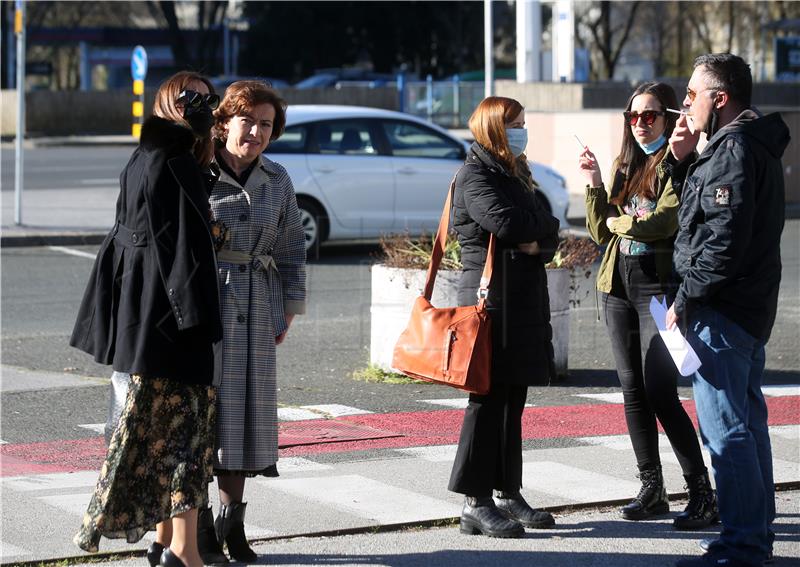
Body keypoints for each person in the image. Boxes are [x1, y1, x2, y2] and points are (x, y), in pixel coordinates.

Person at [70, 71, 224, 567]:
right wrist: (198, 323)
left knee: (157, 434)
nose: (204, 110)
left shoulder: (150, 157)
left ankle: (165, 542)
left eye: (208, 101)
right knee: (185, 438)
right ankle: (185, 552)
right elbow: (181, 254)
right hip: (172, 325)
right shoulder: (171, 160)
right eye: (192, 101)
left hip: (148, 323)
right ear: (170, 106)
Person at [666, 54, 789, 567]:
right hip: (746, 307)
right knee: (748, 422)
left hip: (723, 310)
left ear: (720, 99)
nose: (684, 105)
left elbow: (721, 241)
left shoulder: (732, 150)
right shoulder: (738, 145)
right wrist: (682, 160)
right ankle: (754, 533)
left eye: (691, 95)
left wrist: (685, 297)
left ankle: (742, 545)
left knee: (726, 430)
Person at [578, 82, 718, 529]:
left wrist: (627, 222)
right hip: (617, 286)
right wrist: (595, 185)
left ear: (668, 116)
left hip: (659, 290)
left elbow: (664, 222)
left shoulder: (678, 163)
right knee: (632, 390)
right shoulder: (625, 165)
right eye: (633, 117)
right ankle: (652, 488)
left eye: (649, 115)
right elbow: (603, 235)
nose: (640, 124)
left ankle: (701, 491)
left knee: (659, 389)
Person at [195, 80, 307, 563]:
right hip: (206, 304)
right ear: (223, 122)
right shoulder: (197, 172)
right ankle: (196, 529)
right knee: (203, 418)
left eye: (266, 124)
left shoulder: (277, 179)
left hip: (258, 303)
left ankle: (232, 523)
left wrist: (288, 305)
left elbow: (291, 245)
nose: (257, 132)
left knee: (245, 419)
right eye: (248, 121)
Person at [447, 96, 560, 538]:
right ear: (493, 128)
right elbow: (509, 224)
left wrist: (540, 235)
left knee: (514, 399)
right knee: (487, 400)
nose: (521, 130)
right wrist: (538, 230)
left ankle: (508, 490)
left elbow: (544, 225)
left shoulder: (515, 170)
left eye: (523, 123)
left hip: (522, 300)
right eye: (514, 124)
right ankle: (474, 501)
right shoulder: (475, 175)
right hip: (489, 303)